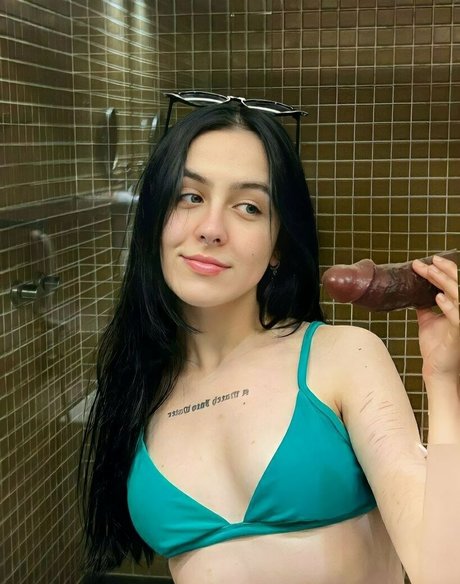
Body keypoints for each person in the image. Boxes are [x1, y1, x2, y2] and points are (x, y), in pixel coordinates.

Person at [78, 96, 460, 584]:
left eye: (248, 207)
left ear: (278, 243)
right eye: (190, 196)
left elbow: (444, 569)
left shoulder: (341, 357)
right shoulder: (139, 388)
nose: (211, 229)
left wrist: (444, 380)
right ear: (155, 217)